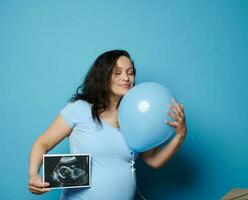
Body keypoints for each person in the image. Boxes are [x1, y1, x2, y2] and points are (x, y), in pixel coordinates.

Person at [28, 49, 187, 200]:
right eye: (117, 72)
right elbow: (42, 143)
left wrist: (180, 135)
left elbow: (154, 161)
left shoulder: (138, 118)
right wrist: (33, 174)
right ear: (103, 75)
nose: (125, 77)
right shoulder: (80, 109)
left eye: (130, 73)